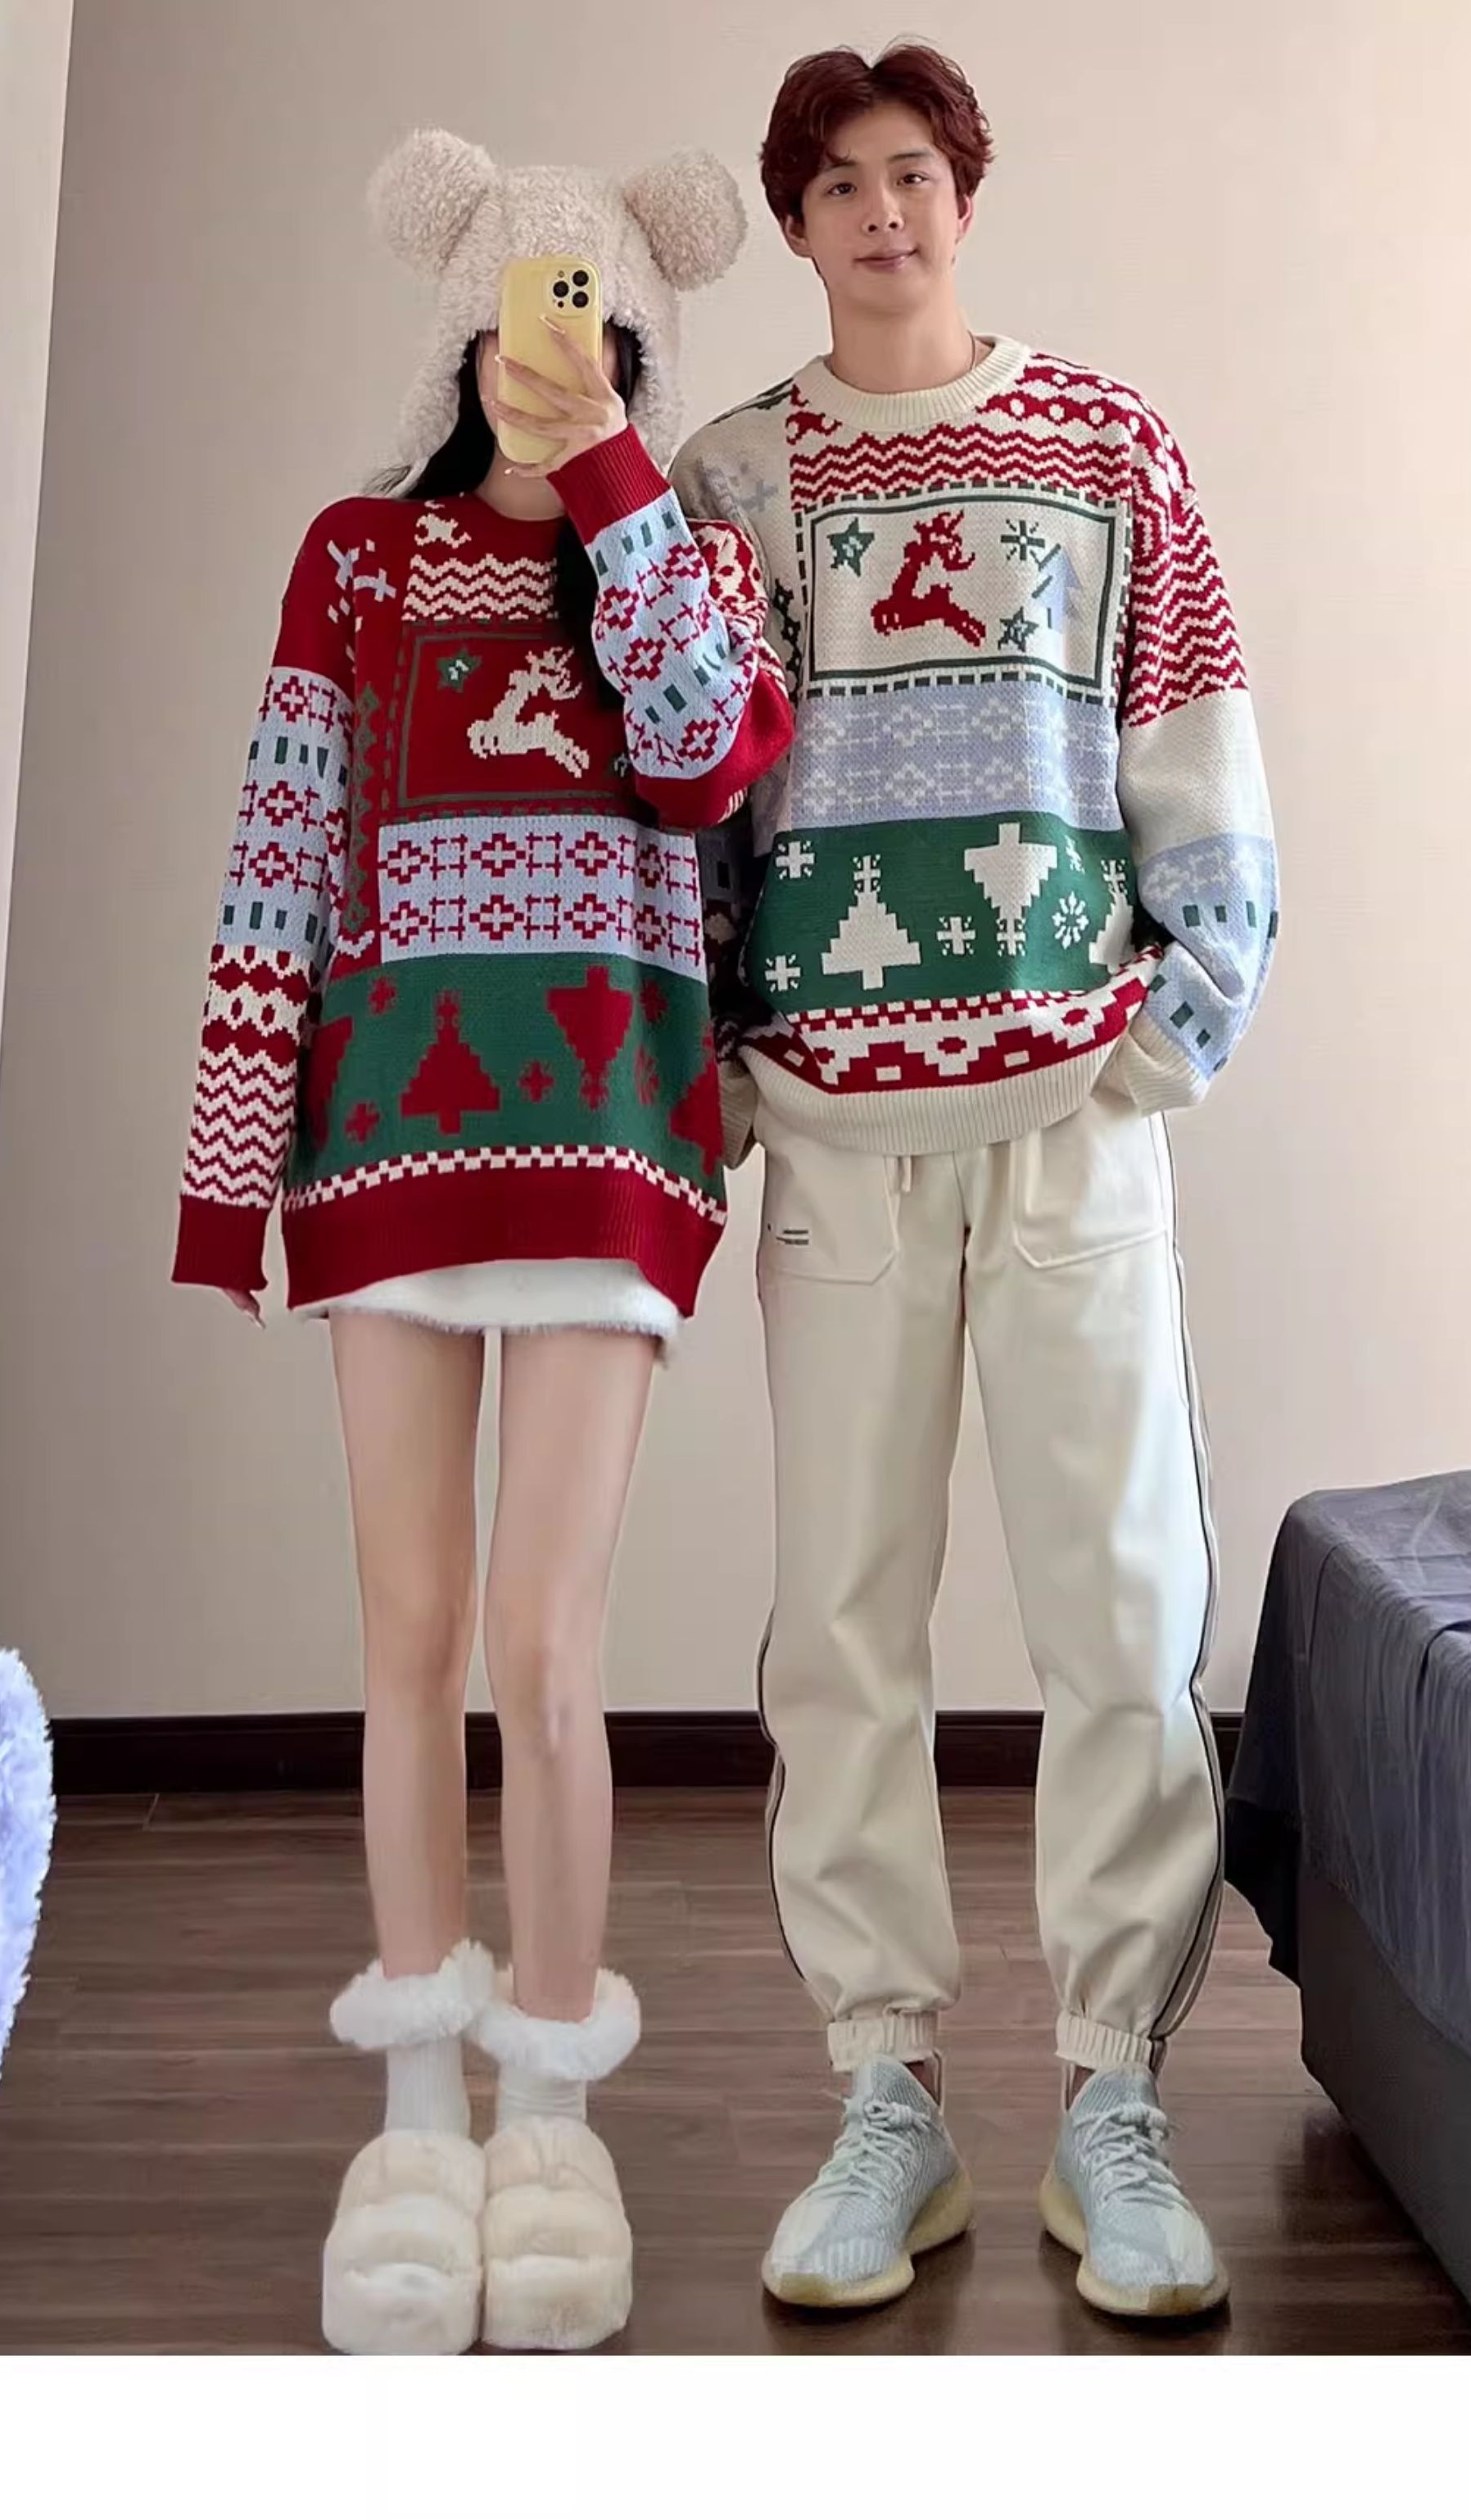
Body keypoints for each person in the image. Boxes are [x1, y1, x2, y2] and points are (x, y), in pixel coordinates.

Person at [672, 43, 1278, 2322]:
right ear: (797, 221)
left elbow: (1199, 740)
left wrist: (1176, 1021)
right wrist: (721, 1050)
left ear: (965, 190)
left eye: (913, 171)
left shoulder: (1106, 448)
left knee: (1120, 1614)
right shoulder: (736, 477)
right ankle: (886, 2099)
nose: (883, 212)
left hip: (1066, 1121)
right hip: (838, 1137)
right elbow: (691, 785)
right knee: (842, 1624)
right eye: (839, 183)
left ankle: (1114, 2100)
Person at [172, 129, 790, 2356]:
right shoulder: (357, 558)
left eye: (597, 314)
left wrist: (616, 477)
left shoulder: (681, 555)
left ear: (635, 341)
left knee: (547, 1640)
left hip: (610, 1140)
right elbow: (278, 853)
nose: (555, 345)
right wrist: (228, 1161)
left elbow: (713, 763)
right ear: (463, 331)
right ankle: (419, 2117)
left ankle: (552, 2119)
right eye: (527, 310)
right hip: (387, 1150)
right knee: (412, 1632)